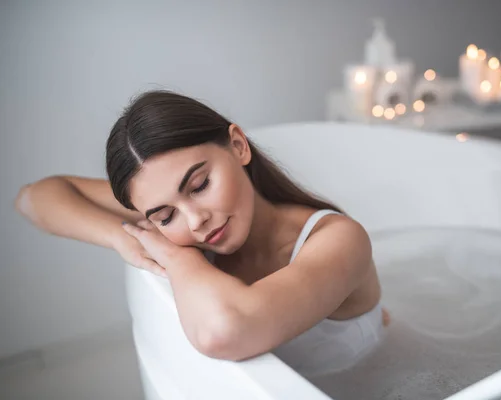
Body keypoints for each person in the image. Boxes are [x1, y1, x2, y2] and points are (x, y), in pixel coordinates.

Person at [14, 90, 389, 376]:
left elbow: (221, 333)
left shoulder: (340, 238)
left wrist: (177, 256)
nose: (195, 221)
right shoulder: (183, 228)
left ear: (239, 146)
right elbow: (34, 198)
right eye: (164, 216)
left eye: (199, 185)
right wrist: (121, 237)